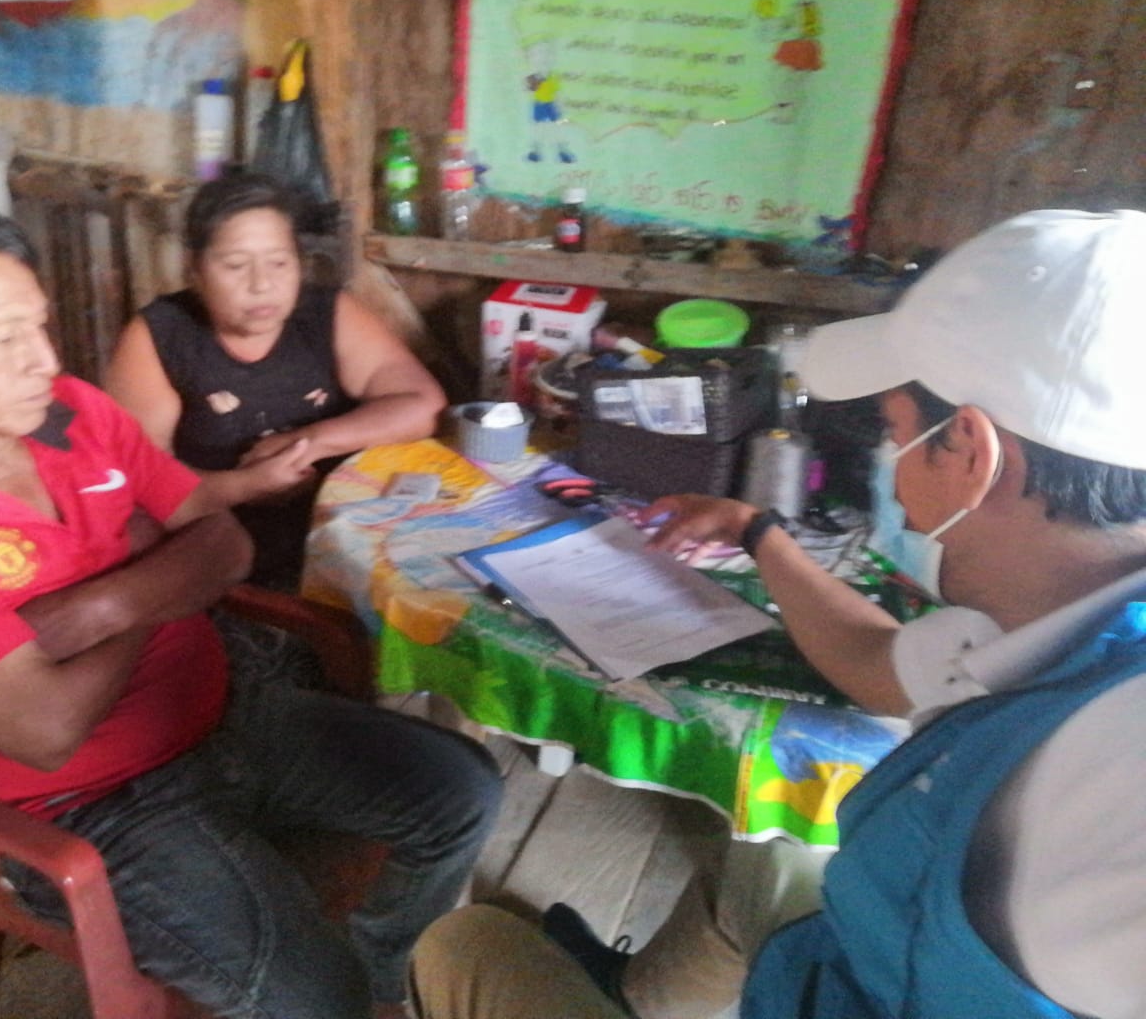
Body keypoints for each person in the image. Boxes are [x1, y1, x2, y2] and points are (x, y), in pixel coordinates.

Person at [410, 208, 1146, 1019]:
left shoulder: (1119, 779)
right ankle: (638, 998)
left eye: (894, 436)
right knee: (772, 859)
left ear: (971, 453)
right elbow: (877, 663)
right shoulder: (1044, 610)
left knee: (462, 947)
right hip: (852, 969)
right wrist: (759, 534)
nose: (892, 476)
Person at [0, 188, 503, 1019]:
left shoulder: (74, 412)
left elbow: (225, 542)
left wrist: (90, 611)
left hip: (221, 710)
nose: (45, 359)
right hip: (93, 809)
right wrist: (155, 576)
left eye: (40, 325)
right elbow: (48, 728)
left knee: (463, 791)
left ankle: (384, 969)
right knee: (320, 996)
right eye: (5, 339)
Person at [104, 171, 447, 590]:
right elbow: (141, 485)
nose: (262, 284)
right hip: (218, 547)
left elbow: (422, 405)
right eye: (235, 265)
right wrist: (246, 485)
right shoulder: (159, 335)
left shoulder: (325, 314)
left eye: (279, 263)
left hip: (339, 531)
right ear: (194, 269)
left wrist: (308, 443)